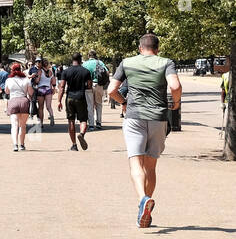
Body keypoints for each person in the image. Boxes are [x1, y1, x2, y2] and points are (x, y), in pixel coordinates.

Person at [107, 34, 182, 228]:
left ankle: (142, 200)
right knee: (150, 167)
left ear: (140, 48)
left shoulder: (127, 62)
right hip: (158, 118)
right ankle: (145, 209)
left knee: (135, 164)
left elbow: (111, 91)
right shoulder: (166, 62)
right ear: (157, 49)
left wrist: (123, 103)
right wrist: (176, 102)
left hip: (134, 117)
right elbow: (175, 86)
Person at [57, 53, 93, 151]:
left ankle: (74, 145)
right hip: (81, 97)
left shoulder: (66, 71)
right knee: (83, 120)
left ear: (72, 59)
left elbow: (62, 87)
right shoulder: (86, 71)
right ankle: (81, 134)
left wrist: (59, 101)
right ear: (81, 60)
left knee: (71, 121)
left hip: (70, 98)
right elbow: (89, 85)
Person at [4, 62, 34, 152]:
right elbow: (31, 92)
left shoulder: (9, 80)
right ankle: (22, 145)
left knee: (14, 125)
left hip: (13, 101)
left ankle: (15, 145)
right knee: (23, 125)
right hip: (24, 101)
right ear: (20, 70)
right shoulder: (26, 80)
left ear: (12, 70)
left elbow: (7, 92)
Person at [83, 51, 108, 129]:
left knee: (89, 105)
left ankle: (91, 125)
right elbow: (107, 72)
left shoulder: (85, 64)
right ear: (95, 55)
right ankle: (99, 122)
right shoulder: (100, 62)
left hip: (88, 86)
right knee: (99, 104)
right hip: (98, 85)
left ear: (88, 56)